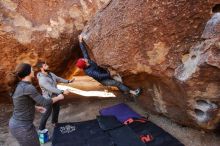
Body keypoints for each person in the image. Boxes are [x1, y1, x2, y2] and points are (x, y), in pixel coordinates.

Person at [8, 63, 64, 146]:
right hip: (22, 127)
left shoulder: (20, 85)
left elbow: (20, 102)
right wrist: (59, 97)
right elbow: (44, 102)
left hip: (19, 125)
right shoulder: (28, 87)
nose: (33, 71)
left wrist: (34, 107)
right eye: (32, 69)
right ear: (28, 73)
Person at [76, 35, 141, 100]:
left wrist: (80, 41)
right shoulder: (89, 72)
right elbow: (100, 76)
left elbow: (84, 52)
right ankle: (134, 93)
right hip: (104, 80)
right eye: (84, 60)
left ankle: (127, 97)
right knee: (117, 83)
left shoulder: (87, 61)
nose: (85, 59)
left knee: (119, 84)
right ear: (85, 64)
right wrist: (110, 73)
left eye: (83, 59)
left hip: (105, 73)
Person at [36, 61, 74, 131]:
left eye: (46, 64)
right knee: (46, 114)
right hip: (48, 98)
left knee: (56, 110)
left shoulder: (50, 74)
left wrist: (68, 81)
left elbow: (58, 78)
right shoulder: (42, 79)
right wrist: (62, 92)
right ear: (41, 68)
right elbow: (50, 88)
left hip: (55, 96)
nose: (47, 66)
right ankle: (41, 129)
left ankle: (54, 123)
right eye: (45, 65)